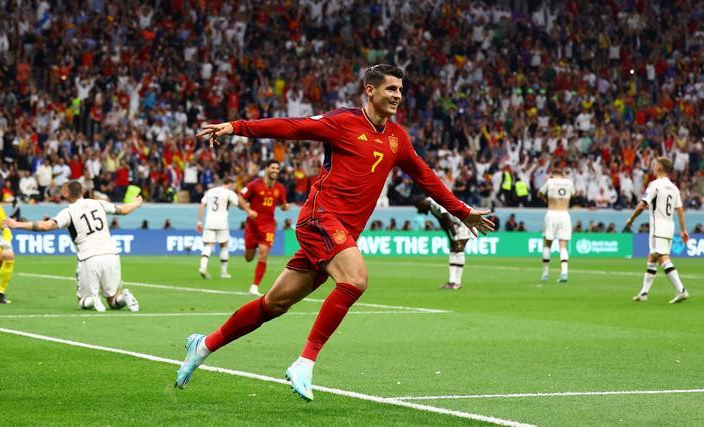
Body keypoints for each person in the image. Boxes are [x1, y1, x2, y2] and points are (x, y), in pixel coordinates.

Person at [176, 64, 494, 401]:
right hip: (320, 218)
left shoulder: (398, 138)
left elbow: (425, 176)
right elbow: (290, 127)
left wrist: (462, 210)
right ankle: (304, 362)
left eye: (400, 90)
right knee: (355, 280)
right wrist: (236, 127)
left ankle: (204, 345)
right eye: (390, 89)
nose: (397, 96)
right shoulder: (343, 122)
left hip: (341, 231)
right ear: (370, 90)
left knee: (274, 303)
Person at [3, 181, 143, 312]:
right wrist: (137, 203)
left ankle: (92, 300)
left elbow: (46, 226)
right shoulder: (99, 203)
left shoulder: (68, 212)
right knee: (113, 301)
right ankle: (124, 298)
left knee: (82, 300)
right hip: (111, 255)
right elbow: (123, 210)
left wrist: (17, 224)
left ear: (66, 194)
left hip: (89, 258)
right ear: (83, 191)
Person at [625, 157, 690, 304]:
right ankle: (644, 293)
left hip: (658, 227)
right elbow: (679, 210)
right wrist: (684, 230)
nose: (653, 168)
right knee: (652, 256)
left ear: (660, 168)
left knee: (662, 257)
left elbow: (642, 205)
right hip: (669, 226)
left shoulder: (654, 185)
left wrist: (631, 219)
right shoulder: (674, 188)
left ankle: (682, 290)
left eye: (655, 165)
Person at [241, 160, 290, 295]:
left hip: (268, 226)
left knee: (263, 255)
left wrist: (285, 207)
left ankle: (254, 286)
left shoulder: (280, 188)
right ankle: (250, 248)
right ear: (266, 169)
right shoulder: (254, 185)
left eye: (277, 168)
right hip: (252, 225)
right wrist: (248, 210)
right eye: (272, 168)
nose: (275, 170)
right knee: (249, 257)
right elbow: (240, 197)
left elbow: (283, 204)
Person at [197, 178, 257, 280]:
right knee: (224, 245)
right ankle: (224, 272)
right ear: (230, 184)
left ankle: (203, 267)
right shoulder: (229, 192)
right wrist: (249, 208)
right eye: (234, 185)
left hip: (209, 222)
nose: (234, 187)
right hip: (222, 222)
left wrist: (199, 222)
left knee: (208, 245)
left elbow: (202, 205)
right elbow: (239, 204)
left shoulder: (210, 191)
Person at [414, 196, 474, 290]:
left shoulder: (436, 202)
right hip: (458, 224)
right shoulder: (431, 207)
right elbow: (443, 223)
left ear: (422, 203)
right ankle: (452, 282)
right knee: (453, 249)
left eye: (419, 207)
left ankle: (457, 283)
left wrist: (454, 237)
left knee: (459, 249)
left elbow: (448, 219)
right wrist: (450, 238)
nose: (420, 210)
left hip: (466, 221)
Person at [538, 168, 574, 282]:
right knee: (563, 245)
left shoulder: (550, 181)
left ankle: (545, 273)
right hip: (564, 214)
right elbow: (574, 194)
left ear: (553, 174)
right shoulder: (569, 182)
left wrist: (545, 198)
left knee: (547, 244)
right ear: (562, 174)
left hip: (552, 213)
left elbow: (539, 193)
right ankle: (564, 273)